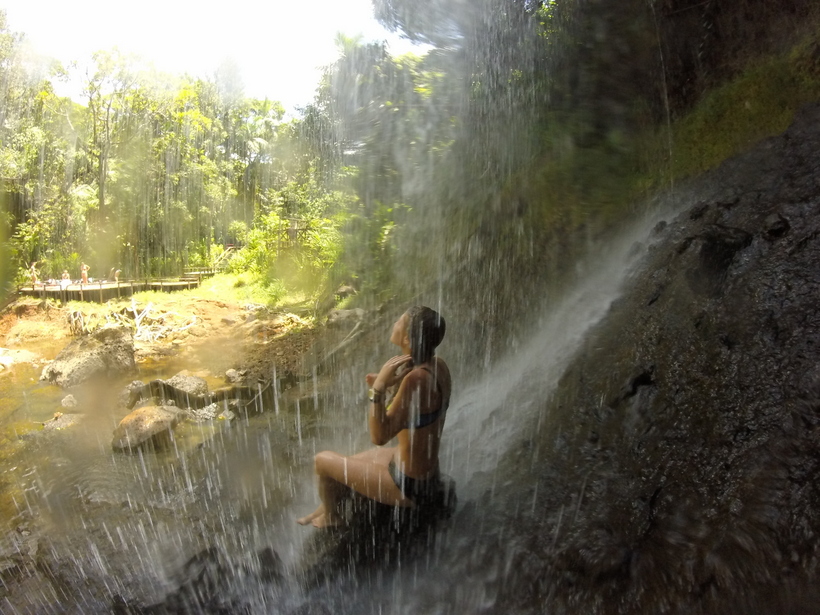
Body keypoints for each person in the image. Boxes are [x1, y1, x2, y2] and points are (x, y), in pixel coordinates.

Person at [297, 306, 451, 528]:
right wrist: (389, 381)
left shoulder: (416, 380)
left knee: (321, 461)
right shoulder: (437, 365)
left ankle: (332, 518)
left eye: (399, 321)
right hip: (423, 471)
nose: (394, 323)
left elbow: (379, 435)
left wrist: (377, 390)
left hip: (409, 485)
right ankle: (325, 507)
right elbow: (419, 403)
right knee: (352, 462)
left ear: (407, 338)